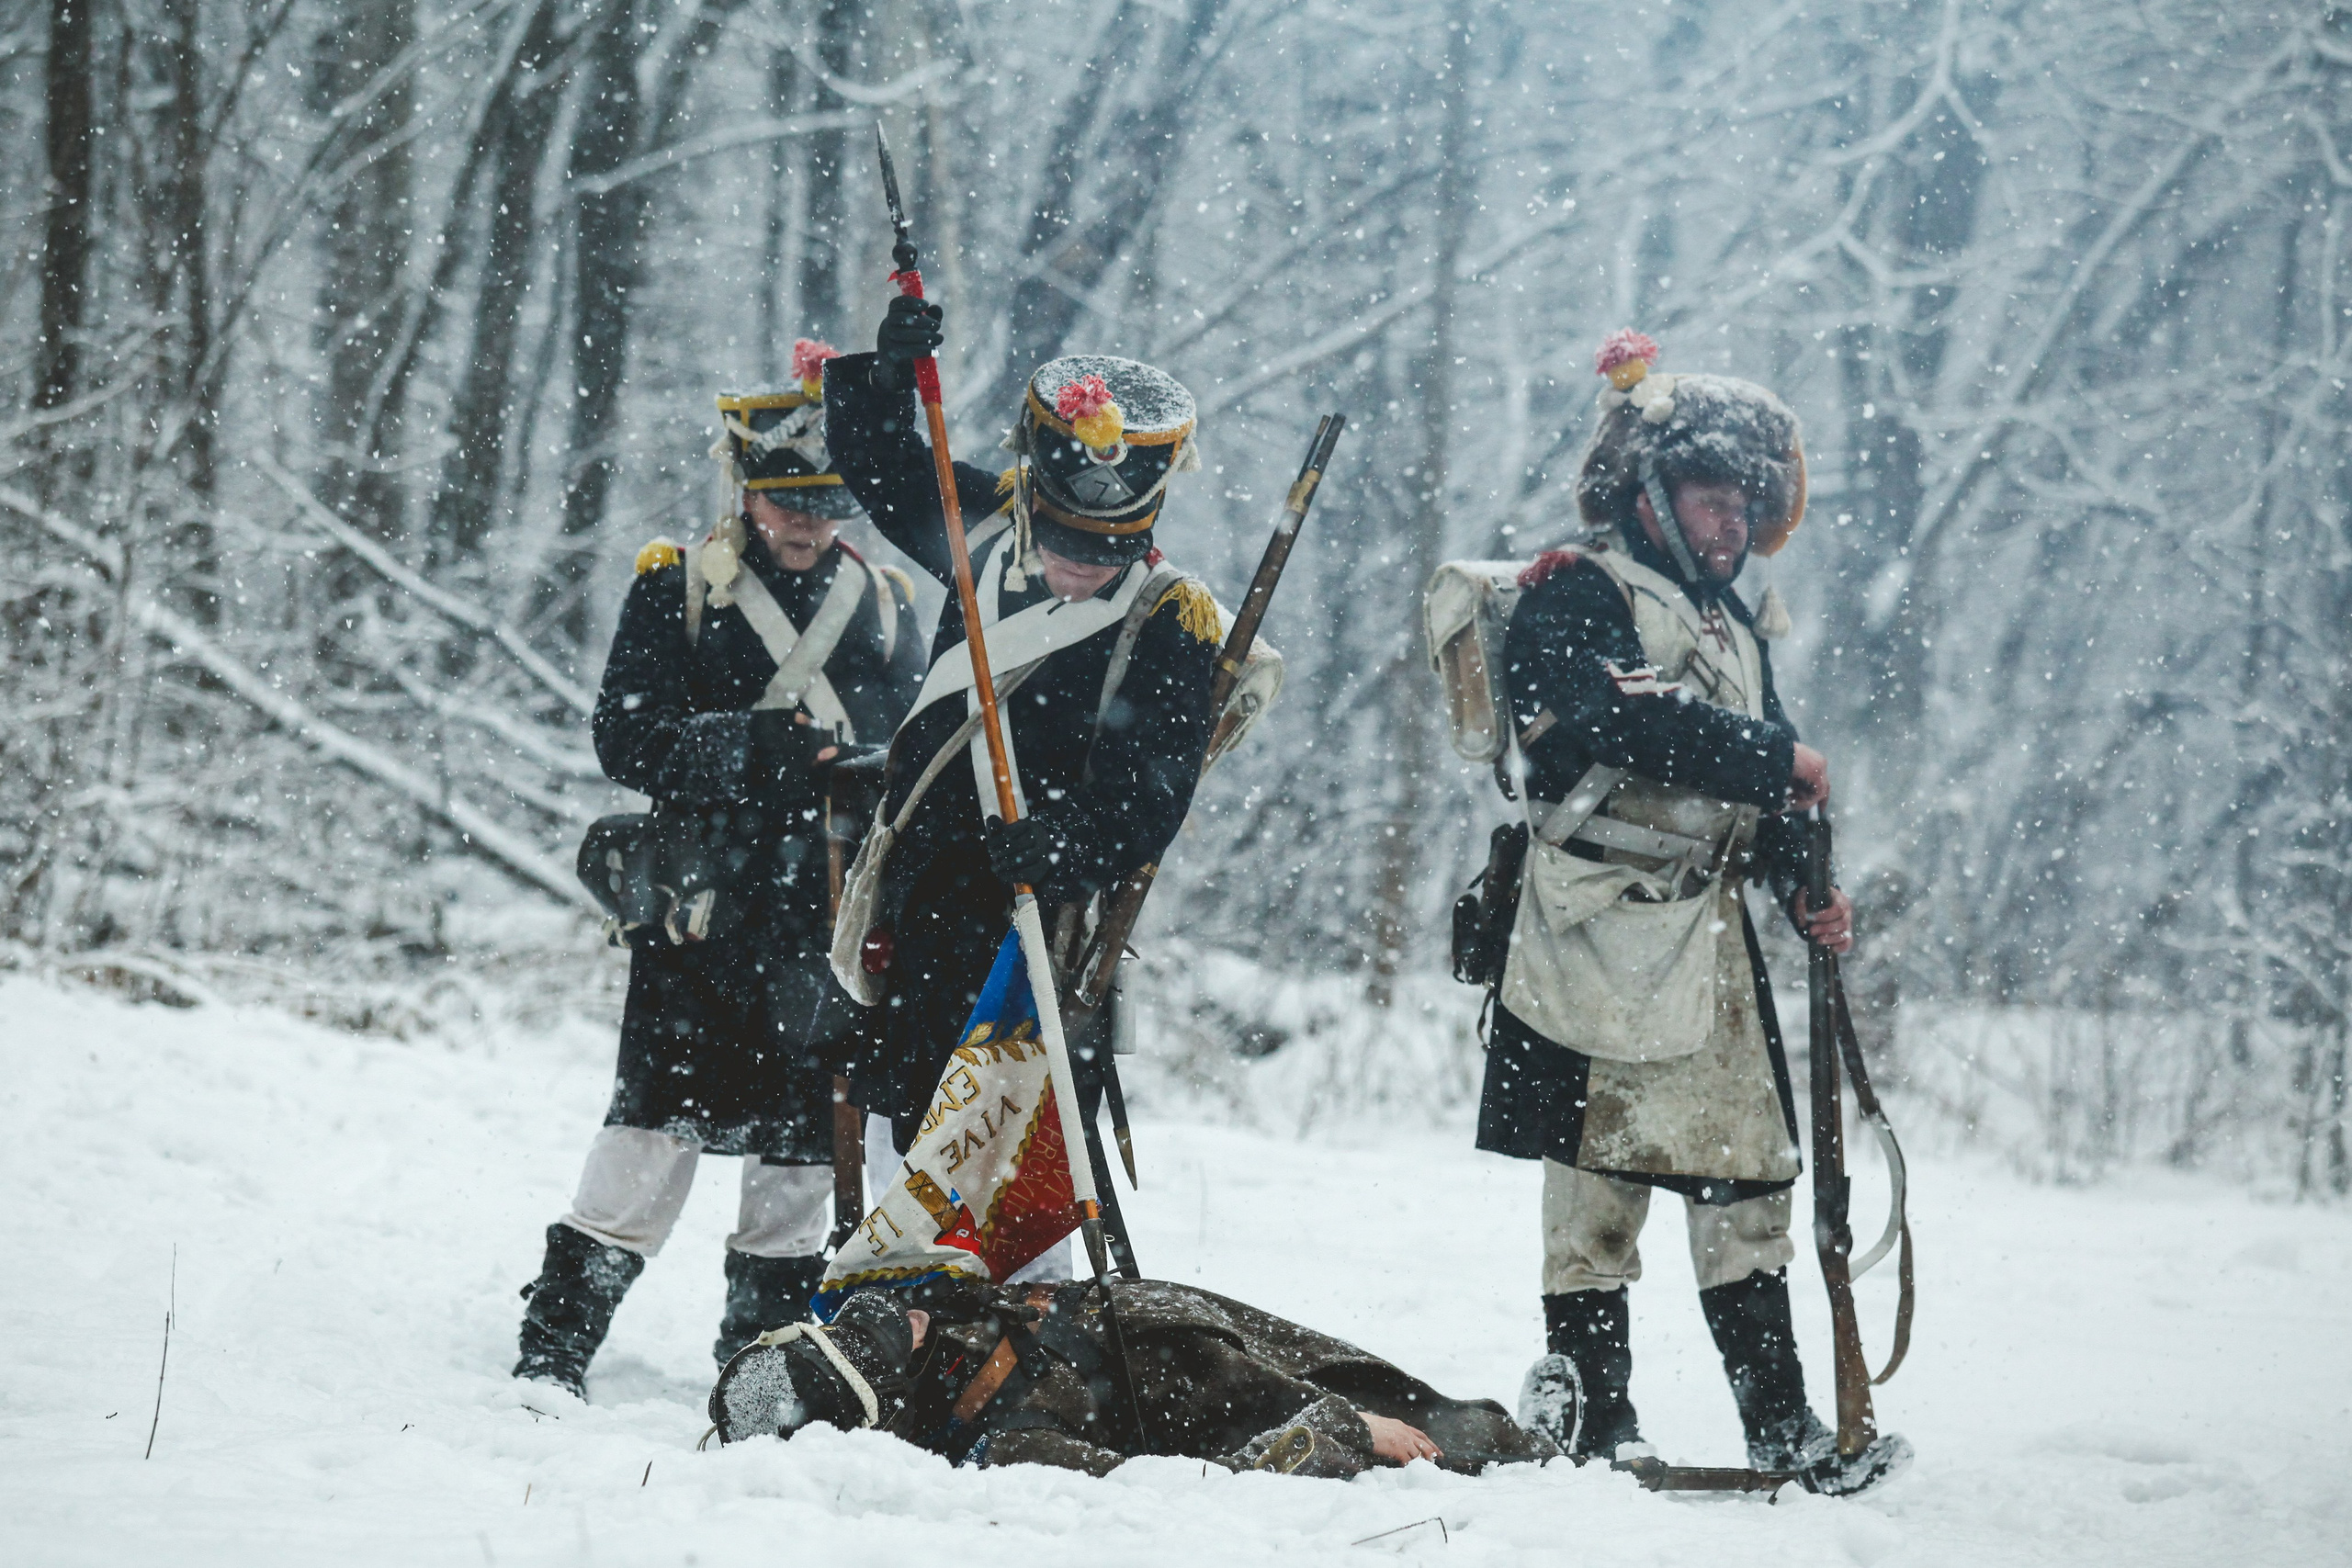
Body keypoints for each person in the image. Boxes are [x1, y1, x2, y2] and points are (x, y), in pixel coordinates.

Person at [1474, 330, 1906, 1494]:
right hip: (1590, 927)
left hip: (1706, 939)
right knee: (1594, 1185)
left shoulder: (1733, 631)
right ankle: (1595, 1413)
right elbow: (1628, 729)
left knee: (1748, 1184)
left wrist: (1806, 885)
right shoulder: (1574, 594)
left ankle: (1782, 1428)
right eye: (1712, 499)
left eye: (1742, 503)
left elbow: (1763, 794)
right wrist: (1777, 757)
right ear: (1651, 496)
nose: (1731, 523)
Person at [514, 342, 925, 1396]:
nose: (807, 525)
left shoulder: (887, 607)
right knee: (649, 1132)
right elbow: (628, 738)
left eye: (829, 506)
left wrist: (874, 772)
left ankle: (761, 1363)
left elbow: (915, 749)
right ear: (748, 489)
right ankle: (555, 1346)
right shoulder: (677, 588)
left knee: (800, 1151)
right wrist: (766, 748)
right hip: (702, 911)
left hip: (822, 916)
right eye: (789, 502)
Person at [817, 298, 1221, 1216]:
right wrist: (888, 376)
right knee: (909, 1119)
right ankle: (899, 1307)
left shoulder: (1169, 621)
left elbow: (1157, 788)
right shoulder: (978, 530)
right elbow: (877, 463)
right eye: (1068, 542)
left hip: (1049, 909)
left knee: (1020, 1146)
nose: (1080, 566)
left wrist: (1066, 842)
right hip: (931, 890)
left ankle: (1008, 1334)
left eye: (1104, 549)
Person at [706, 1278, 1556, 1478]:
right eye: (888, 1339)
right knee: (1430, 1428)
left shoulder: (916, 1325)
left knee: (1377, 1377)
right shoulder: (1008, 1444)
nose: (907, 1315)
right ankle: (1541, 1450)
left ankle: (1524, 1438)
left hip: (1171, 1318)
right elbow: (1171, 1481)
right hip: (1200, 1384)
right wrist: (1336, 1427)